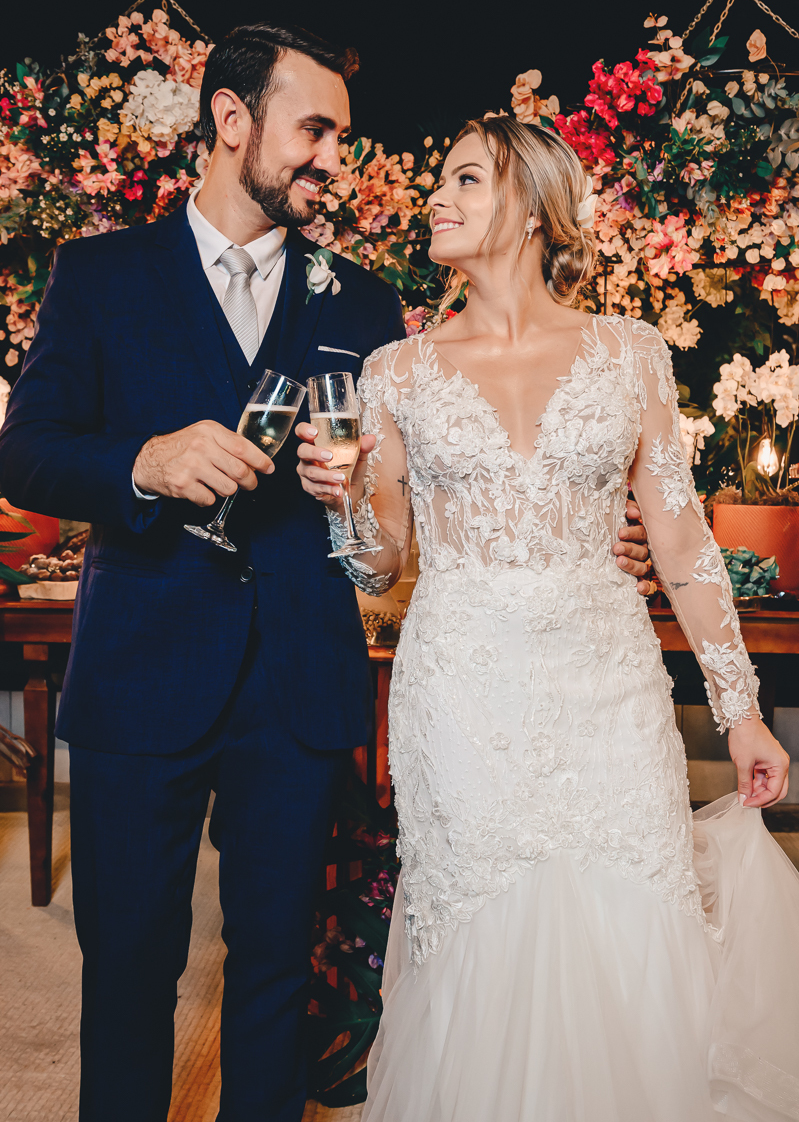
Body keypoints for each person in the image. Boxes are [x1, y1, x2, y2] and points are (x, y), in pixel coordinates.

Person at [0, 25, 649, 1120]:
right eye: (314, 130)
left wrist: (568, 525)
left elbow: (417, 497)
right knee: (126, 974)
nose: (333, 159)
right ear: (231, 122)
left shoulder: (359, 303)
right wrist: (143, 463)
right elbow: (26, 448)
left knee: (273, 979)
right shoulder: (100, 275)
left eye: (341, 138)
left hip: (297, 687)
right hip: (141, 680)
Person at [296, 115, 799, 1122]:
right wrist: (340, 501)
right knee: (483, 928)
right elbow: (379, 559)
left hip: (608, 687)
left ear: (528, 208)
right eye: (438, 179)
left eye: (464, 179)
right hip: (463, 691)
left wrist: (739, 710)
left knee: (625, 924)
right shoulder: (395, 372)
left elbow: (683, 542)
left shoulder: (630, 355)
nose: (436, 197)